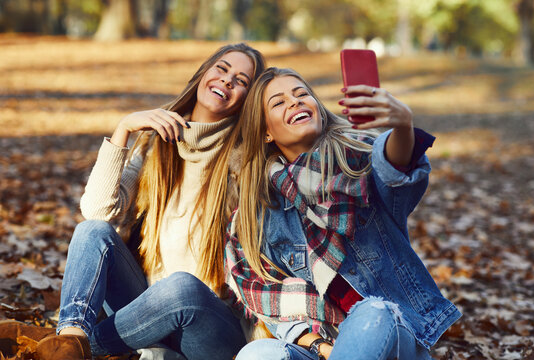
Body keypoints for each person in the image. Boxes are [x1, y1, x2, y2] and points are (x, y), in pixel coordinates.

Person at [0, 43, 265, 360]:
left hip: (206, 327)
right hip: (141, 310)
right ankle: (70, 339)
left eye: (241, 80)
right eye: (221, 69)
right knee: (92, 232)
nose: (227, 80)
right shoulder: (158, 143)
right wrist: (123, 128)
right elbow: (98, 210)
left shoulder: (247, 159)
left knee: (181, 286)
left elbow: (304, 132)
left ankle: (66, 346)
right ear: (204, 72)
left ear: (247, 100)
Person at [224, 67, 462, 360]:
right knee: (257, 354)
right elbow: (268, 300)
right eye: (279, 102)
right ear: (265, 133)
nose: (295, 102)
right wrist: (323, 348)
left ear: (320, 111)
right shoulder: (258, 213)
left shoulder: (360, 163)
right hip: (324, 347)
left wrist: (403, 126)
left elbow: (396, 170)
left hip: (390, 335)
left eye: (302, 94)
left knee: (373, 311)